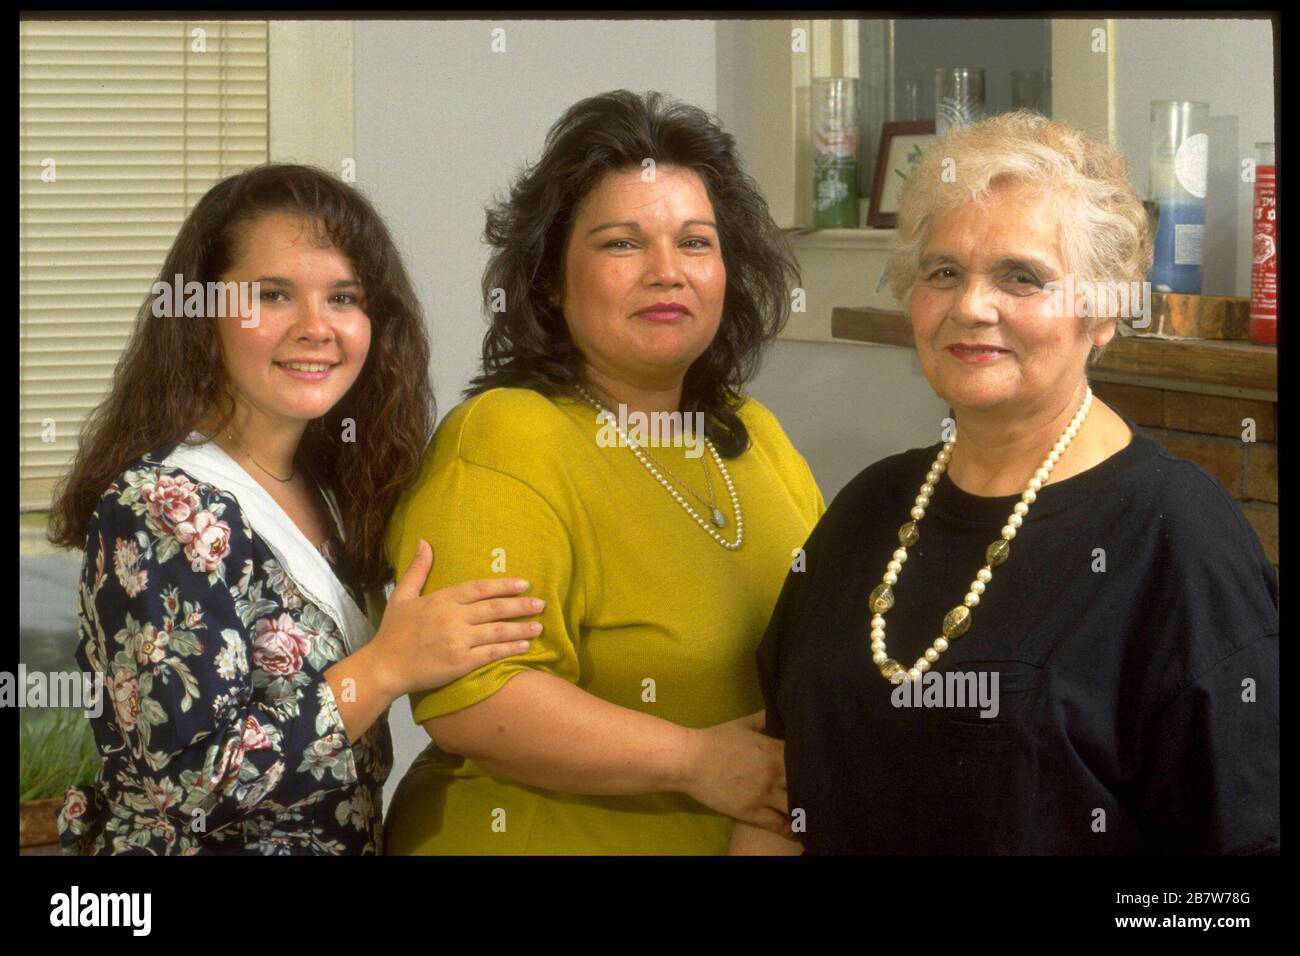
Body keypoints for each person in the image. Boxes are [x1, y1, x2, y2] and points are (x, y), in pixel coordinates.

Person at [735, 111, 1280, 855]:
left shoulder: (1179, 539)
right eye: (944, 272)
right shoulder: (870, 507)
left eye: (1021, 276)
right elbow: (774, 789)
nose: (971, 306)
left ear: (1102, 311)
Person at [50, 164, 542, 855]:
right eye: (274, 295)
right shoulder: (159, 507)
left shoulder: (334, 494)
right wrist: (387, 666)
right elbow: (196, 781)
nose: (317, 327)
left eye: (344, 297)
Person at [383, 90, 824, 854]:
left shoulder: (757, 437)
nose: (667, 272)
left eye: (695, 243)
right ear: (551, 278)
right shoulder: (507, 440)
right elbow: (476, 700)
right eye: (623, 243)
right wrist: (695, 761)